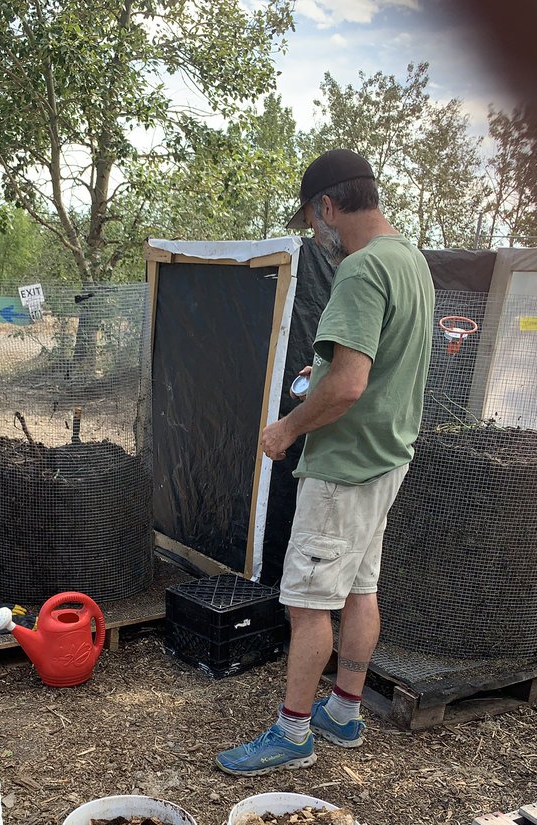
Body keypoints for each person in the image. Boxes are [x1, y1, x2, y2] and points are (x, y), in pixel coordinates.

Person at [217, 149, 434, 775]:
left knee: (308, 603)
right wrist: (327, 371)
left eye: (314, 223)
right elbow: (369, 366)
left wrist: (286, 428)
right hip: (389, 459)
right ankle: (343, 710)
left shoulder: (362, 271)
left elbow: (347, 389)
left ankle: (292, 732)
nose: (318, 236)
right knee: (361, 588)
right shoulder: (409, 260)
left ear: (329, 207)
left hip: (343, 467)